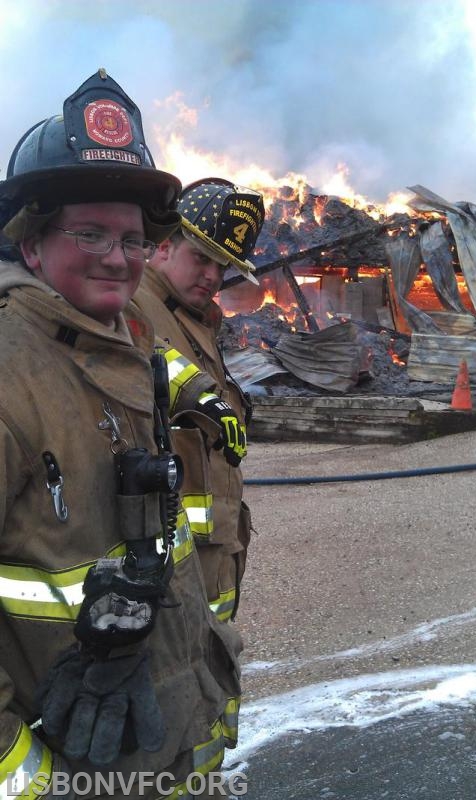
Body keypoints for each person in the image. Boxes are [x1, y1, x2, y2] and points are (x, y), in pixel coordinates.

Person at [0, 71, 242, 799]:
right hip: (66, 763)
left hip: (159, 736)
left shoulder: (131, 344)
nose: (117, 256)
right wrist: (24, 776)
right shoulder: (11, 371)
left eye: (132, 238)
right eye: (89, 232)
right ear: (31, 242)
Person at [134, 178, 265, 622]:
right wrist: (200, 394)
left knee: (215, 661)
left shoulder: (194, 318)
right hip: (172, 546)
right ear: (165, 245)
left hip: (213, 542)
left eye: (222, 264)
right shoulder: (131, 302)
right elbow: (143, 354)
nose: (213, 276)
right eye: (201, 258)